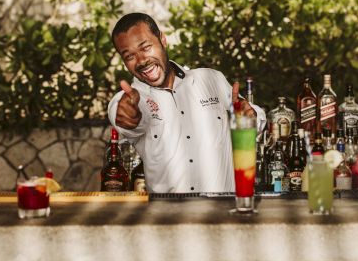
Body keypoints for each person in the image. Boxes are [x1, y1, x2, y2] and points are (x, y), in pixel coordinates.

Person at [107, 13, 266, 193]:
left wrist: (250, 117)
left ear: (162, 40)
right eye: (129, 56)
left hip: (223, 213)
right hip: (169, 218)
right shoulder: (132, 100)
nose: (141, 60)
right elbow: (124, 116)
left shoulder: (210, 79)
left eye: (146, 47)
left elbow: (254, 121)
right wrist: (127, 116)